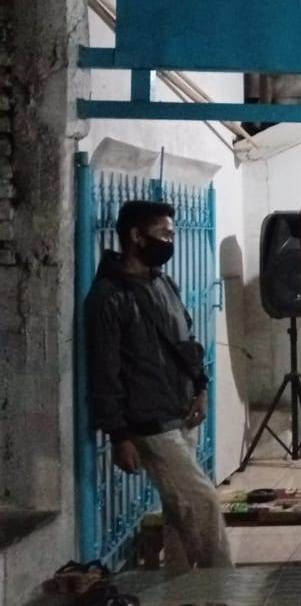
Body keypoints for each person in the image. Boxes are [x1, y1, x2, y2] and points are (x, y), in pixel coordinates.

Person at [87, 200, 232, 569]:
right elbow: (105, 370)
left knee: (179, 512)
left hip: (182, 411)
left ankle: (180, 585)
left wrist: (201, 387)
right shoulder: (109, 296)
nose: (170, 241)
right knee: (202, 502)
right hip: (150, 422)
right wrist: (119, 435)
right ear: (137, 236)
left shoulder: (163, 282)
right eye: (164, 234)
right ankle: (224, 584)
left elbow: (186, 342)